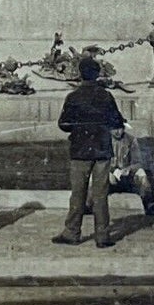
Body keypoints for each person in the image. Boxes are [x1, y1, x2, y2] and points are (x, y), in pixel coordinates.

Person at [51, 55, 125, 249]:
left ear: (80, 74)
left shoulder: (73, 97)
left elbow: (63, 124)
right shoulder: (106, 96)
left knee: (78, 194)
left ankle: (72, 231)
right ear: (98, 74)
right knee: (101, 194)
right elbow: (117, 121)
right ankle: (102, 235)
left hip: (80, 150)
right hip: (102, 149)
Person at [101, 124, 154, 221]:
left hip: (127, 176)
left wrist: (129, 169)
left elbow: (138, 162)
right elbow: (101, 162)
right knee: (98, 177)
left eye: (119, 128)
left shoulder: (131, 140)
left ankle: (150, 206)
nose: (117, 132)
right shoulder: (103, 140)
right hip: (110, 173)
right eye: (114, 128)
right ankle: (88, 204)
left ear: (123, 128)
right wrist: (112, 170)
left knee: (141, 174)